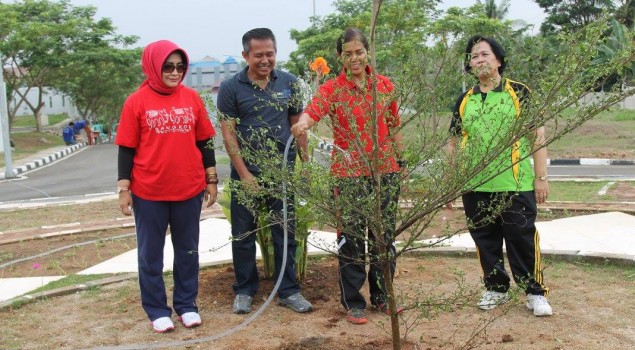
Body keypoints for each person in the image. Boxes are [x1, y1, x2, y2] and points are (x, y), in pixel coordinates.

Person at [291, 28, 405, 325]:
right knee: (351, 238)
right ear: (339, 56)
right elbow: (312, 111)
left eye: (359, 52)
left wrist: (401, 160)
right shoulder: (332, 89)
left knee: (383, 238)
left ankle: (383, 296)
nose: (354, 58)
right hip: (349, 173)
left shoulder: (384, 86)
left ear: (368, 52)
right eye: (347, 53)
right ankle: (354, 301)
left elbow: (394, 127)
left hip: (386, 171)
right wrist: (302, 124)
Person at [115, 40, 218, 333]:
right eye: (168, 67)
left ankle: (187, 306)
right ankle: (157, 309)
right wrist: (125, 189)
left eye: (180, 67)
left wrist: (211, 179)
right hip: (149, 192)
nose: (175, 72)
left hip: (188, 188)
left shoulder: (192, 98)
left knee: (188, 251)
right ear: (153, 67)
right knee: (150, 254)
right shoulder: (136, 101)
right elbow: (126, 149)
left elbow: (205, 141)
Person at [446, 35, 552, 316]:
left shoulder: (519, 93)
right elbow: (454, 144)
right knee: (485, 240)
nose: (478, 59)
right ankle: (496, 288)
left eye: (484, 54)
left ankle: (534, 292)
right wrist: (450, 183)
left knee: (522, 238)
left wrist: (540, 178)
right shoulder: (463, 100)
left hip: (515, 184)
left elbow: (537, 136)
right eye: (473, 56)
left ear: (499, 60)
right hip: (475, 186)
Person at [217, 28, 312, 315]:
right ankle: (245, 290)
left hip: (281, 175)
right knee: (243, 234)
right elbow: (229, 135)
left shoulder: (290, 84)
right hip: (247, 174)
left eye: (269, 53)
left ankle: (289, 290)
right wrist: (245, 175)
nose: (265, 60)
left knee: (285, 232)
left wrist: (305, 165)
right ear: (246, 55)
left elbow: (298, 126)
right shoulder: (231, 88)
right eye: (258, 55)